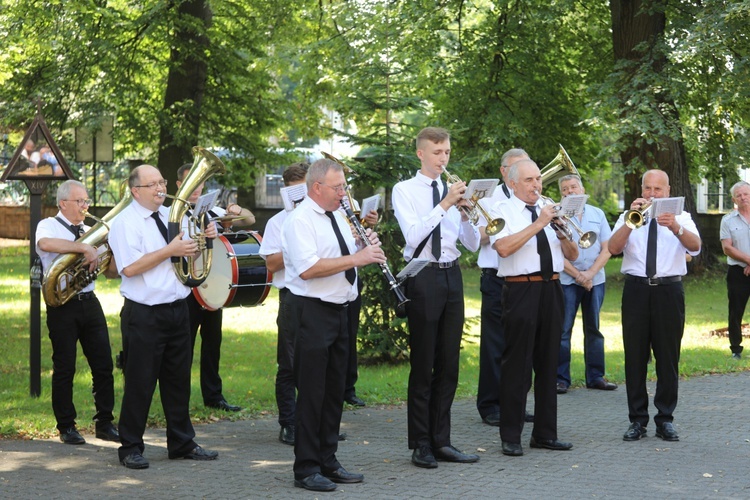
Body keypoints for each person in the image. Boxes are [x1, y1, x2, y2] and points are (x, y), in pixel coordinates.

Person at [281, 158, 385, 492]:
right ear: (317, 187)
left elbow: (342, 253)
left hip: (341, 309)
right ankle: (306, 468)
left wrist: (362, 245)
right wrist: (358, 258)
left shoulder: (338, 216)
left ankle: (328, 459)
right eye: (338, 187)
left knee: (334, 391)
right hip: (312, 311)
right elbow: (309, 268)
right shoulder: (299, 220)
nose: (344, 192)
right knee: (312, 392)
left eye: (344, 186)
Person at [108, 164, 219, 469]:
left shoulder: (174, 215)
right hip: (144, 314)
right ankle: (130, 446)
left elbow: (188, 256)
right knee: (140, 382)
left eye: (162, 181)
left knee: (178, 381)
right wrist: (169, 250)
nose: (160, 188)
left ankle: (181, 442)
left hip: (177, 309)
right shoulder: (125, 222)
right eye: (152, 184)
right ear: (135, 191)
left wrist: (203, 241)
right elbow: (129, 267)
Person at [392, 127, 481, 469]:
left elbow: (472, 244)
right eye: (437, 152)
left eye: (446, 152)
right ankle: (421, 442)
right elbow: (413, 236)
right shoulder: (405, 190)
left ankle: (442, 440)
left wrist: (467, 215)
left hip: (452, 272)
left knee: (449, 363)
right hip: (423, 274)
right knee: (424, 361)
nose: (443, 158)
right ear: (420, 154)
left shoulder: (453, 192)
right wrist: (445, 204)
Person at [489, 159, 579, 457]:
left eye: (538, 179)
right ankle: (511, 435)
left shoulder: (549, 208)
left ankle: (545, 433)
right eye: (529, 180)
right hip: (520, 288)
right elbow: (502, 248)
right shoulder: (501, 209)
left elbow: (574, 254)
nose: (536, 185)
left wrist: (562, 231)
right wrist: (539, 223)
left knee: (549, 362)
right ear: (513, 183)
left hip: (552, 288)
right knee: (517, 363)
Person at [609, 169, 701, 443]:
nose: (651, 194)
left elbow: (696, 246)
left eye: (657, 189)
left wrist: (675, 226)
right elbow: (613, 248)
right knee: (634, 357)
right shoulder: (629, 216)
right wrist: (629, 223)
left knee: (668, 357)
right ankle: (637, 420)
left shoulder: (681, 217)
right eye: (647, 188)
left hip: (669, 290)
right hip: (636, 290)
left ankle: (665, 419)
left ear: (668, 191)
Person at [35, 180, 120, 445]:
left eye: (86, 201)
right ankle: (66, 426)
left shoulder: (89, 229)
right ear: (63, 203)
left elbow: (111, 273)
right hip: (62, 306)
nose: (86, 206)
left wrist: (112, 251)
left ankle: (104, 423)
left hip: (89, 301)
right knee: (65, 367)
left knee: (103, 364)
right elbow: (46, 244)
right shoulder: (48, 224)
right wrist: (84, 247)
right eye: (80, 201)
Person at [175, 163, 255, 412]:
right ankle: (179, 398)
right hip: (186, 288)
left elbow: (249, 219)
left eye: (200, 183)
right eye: (191, 183)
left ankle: (214, 396)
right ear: (179, 186)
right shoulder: (172, 215)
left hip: (212, 287)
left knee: (212, 343)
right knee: (183, 347)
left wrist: (234, 209)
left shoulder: (213, 211)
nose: (196, 189)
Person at [476, 148, 530, 427]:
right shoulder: (489, 198)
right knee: (495, 343)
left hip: (523, 279)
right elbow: (477, 238)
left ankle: (515, 404)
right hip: (496, 276)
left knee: (519, 346)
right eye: (516, 168)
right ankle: (490, 404)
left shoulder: (532, 198)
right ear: (504, 172)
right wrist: (498, 227)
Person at [258, 162, 309, 445]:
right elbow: (271, 263)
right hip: (292, 296)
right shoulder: (277, 222)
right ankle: (288, 423)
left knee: (320, 363)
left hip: (322, 295)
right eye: (292, 192)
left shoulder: (327, 217)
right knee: (289, 363)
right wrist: (294, 242)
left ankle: (315, 421)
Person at [555, 174, 616, 394]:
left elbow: (607, 247)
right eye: (565, 189)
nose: (570, 192)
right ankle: (561, 379)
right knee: (563, 330)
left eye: (573, 187)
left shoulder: (597, 213)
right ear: (561, 194)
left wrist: (590, 274)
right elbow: (555, 254)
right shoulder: (555, 216)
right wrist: (579, 276)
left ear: (582, 189)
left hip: (595, 279)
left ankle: (596, 376)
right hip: (567, 281)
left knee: (594, 329)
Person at [720, 181, 750, 360]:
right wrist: (748, 261)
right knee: (735, 311)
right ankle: (736, 349)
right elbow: (727, 248)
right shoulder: (727, 220)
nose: (743, 197)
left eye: (746, 193)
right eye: (739, 195)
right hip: (738, 272)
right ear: (734, 199)